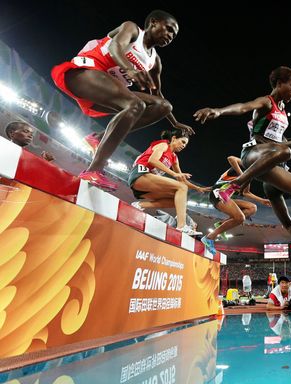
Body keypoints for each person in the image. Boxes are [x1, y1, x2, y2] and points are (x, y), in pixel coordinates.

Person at [193, 66, 291, 258]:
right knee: (286, 152)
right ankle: (239, 182)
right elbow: (244, 106)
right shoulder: (267, 102)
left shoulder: (283, 114)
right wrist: (218, 111)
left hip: (270, 163)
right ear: (279, 83)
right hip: (252, 154)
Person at [51, 10, 193, 191]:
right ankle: (93, 171)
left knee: (163, 106)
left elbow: (158, 94)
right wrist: (129, 68)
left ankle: (98, 138)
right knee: (136, 104)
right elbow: (114, 46)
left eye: (174, 34)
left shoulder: (154, 62)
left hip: (104, 92)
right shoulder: (132, 29)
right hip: (83, 75)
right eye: (169, 29)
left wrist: (175, 122)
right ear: (154, 22)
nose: (171, 36)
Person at [128, 129, 208, 235]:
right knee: (182, 188)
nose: (184, 146)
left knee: (176, 200)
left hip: (147, 186)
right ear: (174, 138)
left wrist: (197, 188)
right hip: (140, 175)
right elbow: (152, 160)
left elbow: (181, 179)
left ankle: (140, 204)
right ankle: (182, 226)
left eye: (186, 144)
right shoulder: (163, 145)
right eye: (183, 142)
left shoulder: (174, 158)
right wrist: (174, 174)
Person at [201, 156, 271, 254]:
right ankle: (209, 237)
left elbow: (246, 193)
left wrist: (262, 200)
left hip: (226, 196)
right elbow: (231, 158)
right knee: (240, 218)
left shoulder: (249, 178)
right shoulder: (244, 165)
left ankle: (221, 224)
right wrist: (242, 174)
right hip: (218, 193)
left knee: (252, 208)